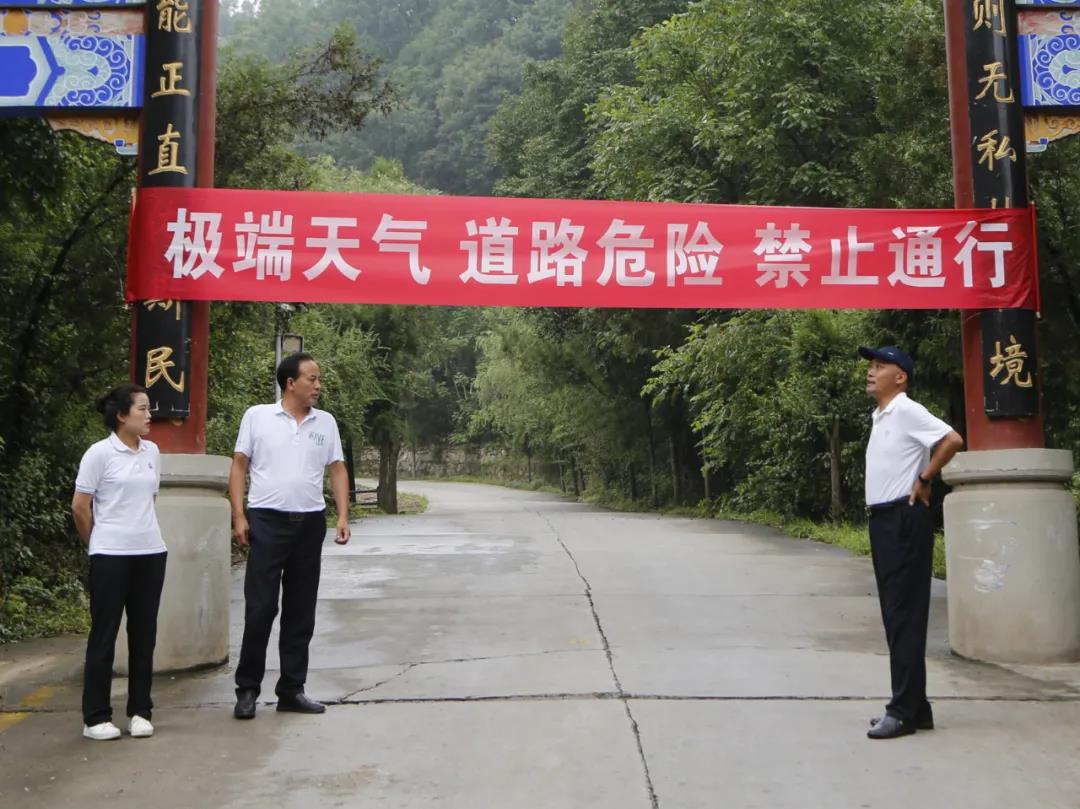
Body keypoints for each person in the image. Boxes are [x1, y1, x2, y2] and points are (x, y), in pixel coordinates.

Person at [229, 352, 351, 719]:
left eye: (319, 379)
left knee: (301, 609)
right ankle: (247, 689)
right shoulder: (257, 417)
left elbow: (337, 468)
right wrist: (239, 515)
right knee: (261, 607)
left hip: (309, 523)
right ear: (290, 383)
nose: (318, 386)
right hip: (267, 521)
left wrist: (342, 515)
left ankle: (292, 689)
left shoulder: (325, 422)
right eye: (312, 379)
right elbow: (239, 466)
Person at [859, 346, 964, 740]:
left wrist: (925, 477)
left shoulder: (905, 409)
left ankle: (902, 711)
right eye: (870, 366)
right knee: (897, 614)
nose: (871, 372)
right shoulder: (882, 414)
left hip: (902, 520)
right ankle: (917, 707)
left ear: (900, 377)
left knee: (902, 615)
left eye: (879, 366)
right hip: (885, 521)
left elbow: (952, 439)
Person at [72, 384, 168, 741]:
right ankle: (95, 717)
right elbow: (80, 507)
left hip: (150, 552)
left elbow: (148, 500)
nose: (149, 415)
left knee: (144, 634)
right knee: (104, 633)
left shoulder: (152, 451)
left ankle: (140, 712)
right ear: (122, 415)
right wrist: (98, 542)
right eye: (142, 409)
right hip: (110, 555)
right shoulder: (99, 454)